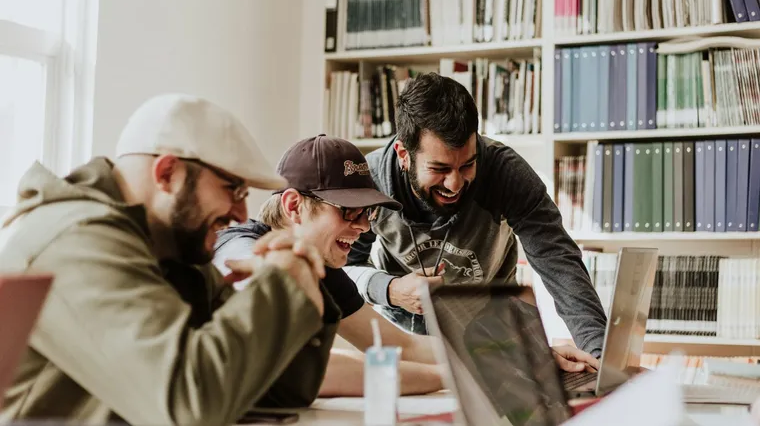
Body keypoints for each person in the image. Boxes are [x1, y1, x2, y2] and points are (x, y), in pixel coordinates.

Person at [0, 94, 338, 425]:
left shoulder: (172, 247)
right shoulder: (78, 240)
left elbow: (278, 391)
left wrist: (301, 278)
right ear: (167, 174)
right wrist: (281, 285)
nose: (241, 213)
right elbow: (189, 405)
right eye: (232, 189)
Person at [214, 135, 599, 397]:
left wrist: (519, 357)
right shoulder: (242, 251)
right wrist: (478, 375)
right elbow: (303, 367)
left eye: (367, 214)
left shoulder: (322, 267)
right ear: (294, 206)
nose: (364, 227)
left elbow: (399, 345)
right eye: (349, 212)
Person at [345, 72, 608, 358]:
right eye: (440, 169)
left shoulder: (506, 173)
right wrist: (391, 289)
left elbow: (559, 263)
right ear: (403, 154)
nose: (455, 184)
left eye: (467, 165)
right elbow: (343, 269)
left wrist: (599, 356)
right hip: (404, 346)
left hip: (494, 342)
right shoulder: (370, 183)